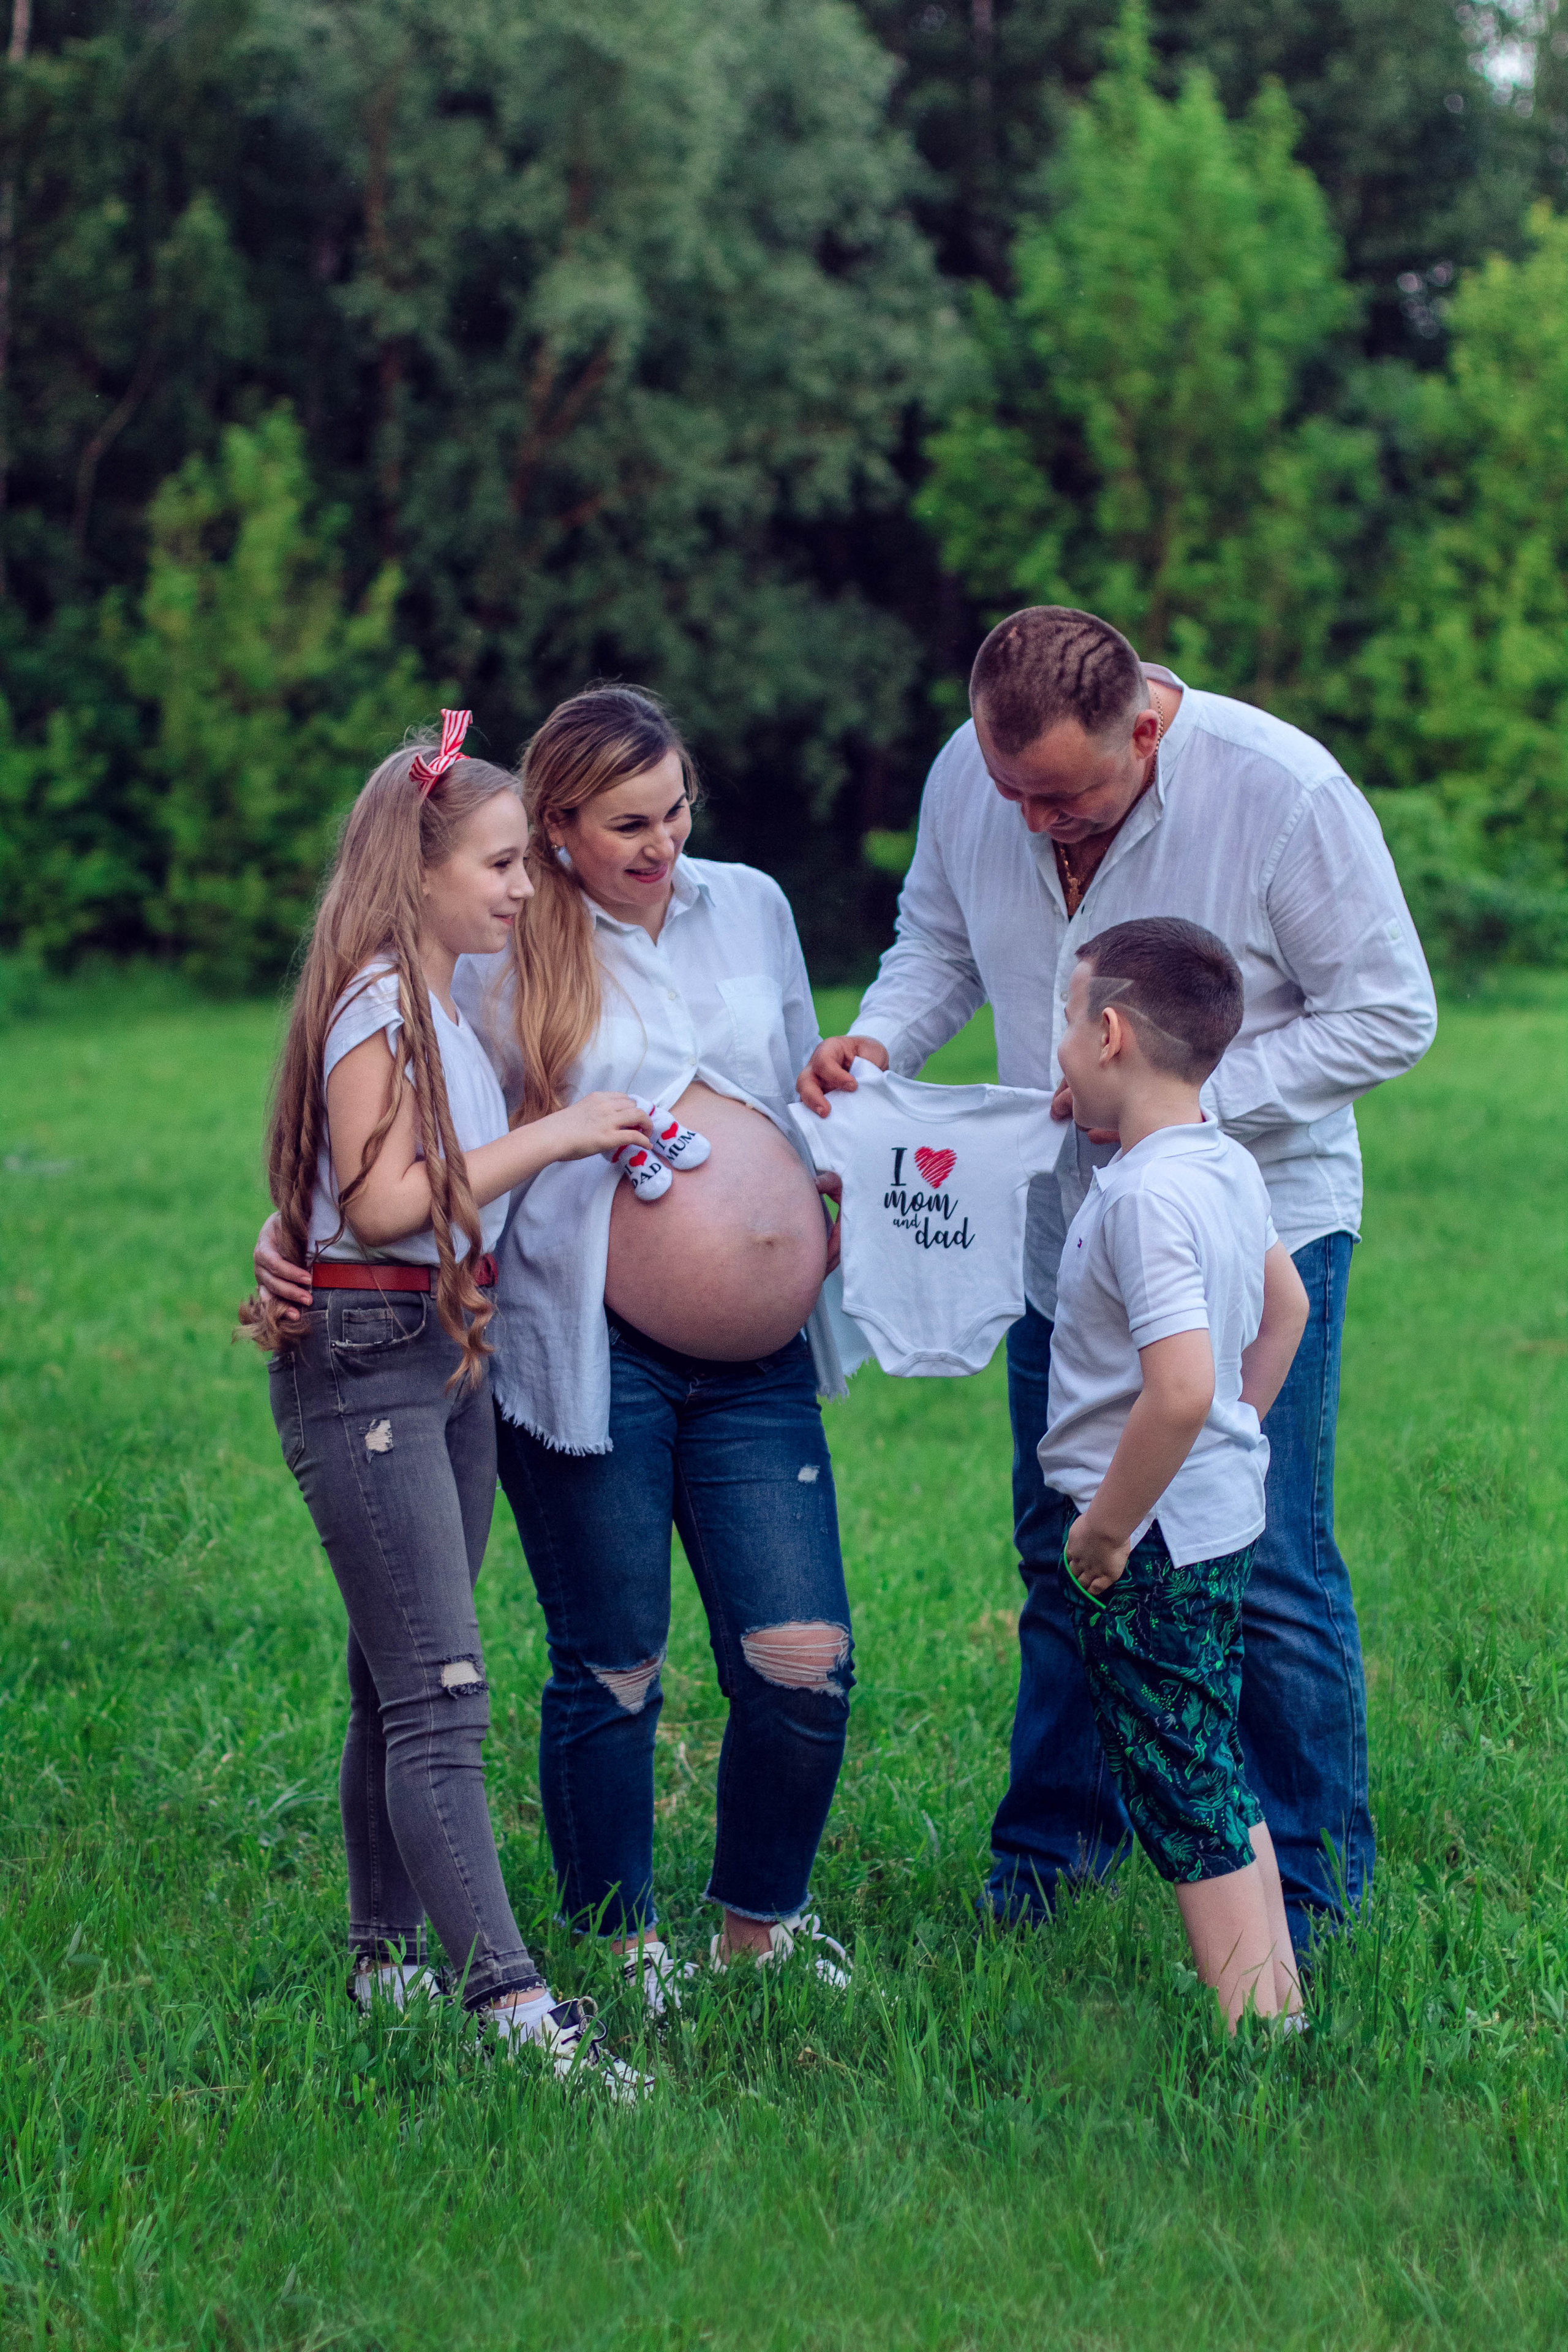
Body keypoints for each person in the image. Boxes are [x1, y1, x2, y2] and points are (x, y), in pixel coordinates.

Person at [800, 606, 1438, 1954]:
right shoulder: (974, 775)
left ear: (1144, 725)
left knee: (1257, 1551)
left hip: (1244, 1217)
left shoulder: (1281, 793)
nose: (1033, 821)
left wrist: (1172, 1102)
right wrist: (875, 1041)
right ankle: (1048, 1866)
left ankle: (1313, 1890)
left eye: (1064, 794)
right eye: (1008, 790)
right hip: (1056, 1232)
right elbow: (937, 943)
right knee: (1063, 1547)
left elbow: (1389, 1008)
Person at [257, 686, 858, 2010]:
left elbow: (803, 1075)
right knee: (605, 1658)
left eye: (677, 809)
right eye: (626, 823)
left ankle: (759, 1924)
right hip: (577, 1343)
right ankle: (608, 1945)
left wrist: (823, 1180)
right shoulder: (495, 935)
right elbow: (386, 1109)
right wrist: (285, 1224)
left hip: (755, 1356)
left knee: (803, 1657)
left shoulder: (748, 906)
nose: (663, 842)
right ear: (561, 827)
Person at [241, 715, 656, 2097]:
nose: (522, 886)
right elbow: (384, 1203)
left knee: (394, 1674)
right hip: (365, 1356)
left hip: (435, 1348)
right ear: (414, 869)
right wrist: (567, 1127)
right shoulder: (377, 1000)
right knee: (442, 1696)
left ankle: (386, 1964)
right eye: (496, 863)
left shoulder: (435, 1000)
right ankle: (512, 2005)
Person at [1046, 918, 1308, 2028]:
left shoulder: (1146, 1198)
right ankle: (1279, 1996)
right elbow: (1287, 1307)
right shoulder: (1222, 1162)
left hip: (1150, 1536)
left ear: (1109, 1032)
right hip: (1213, 1516)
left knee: (1175, 1773)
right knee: (1206, 1746)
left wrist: (1107, 1532)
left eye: (1068, 1023)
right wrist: (1234, 1437)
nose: (1060, 1048)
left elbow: (1180, 1389)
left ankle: (1254, 2029)